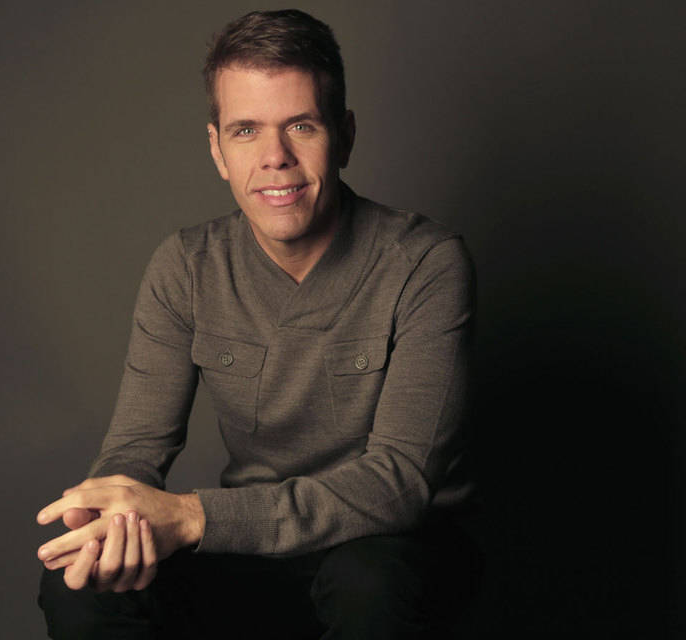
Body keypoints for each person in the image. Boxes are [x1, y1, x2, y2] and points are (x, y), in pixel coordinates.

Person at [36, 9, 480, 639]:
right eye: (246, 131)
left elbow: (399, 483)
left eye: (301, 126)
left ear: (344, 136)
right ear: (217, 149)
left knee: (369, 582)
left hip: (391, 550)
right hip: (251, 551)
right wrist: (109, 521)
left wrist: (193, 517)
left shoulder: (425, 263)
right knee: (81, 583)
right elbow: (134, 450)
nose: (275, 158)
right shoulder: (186, 265)